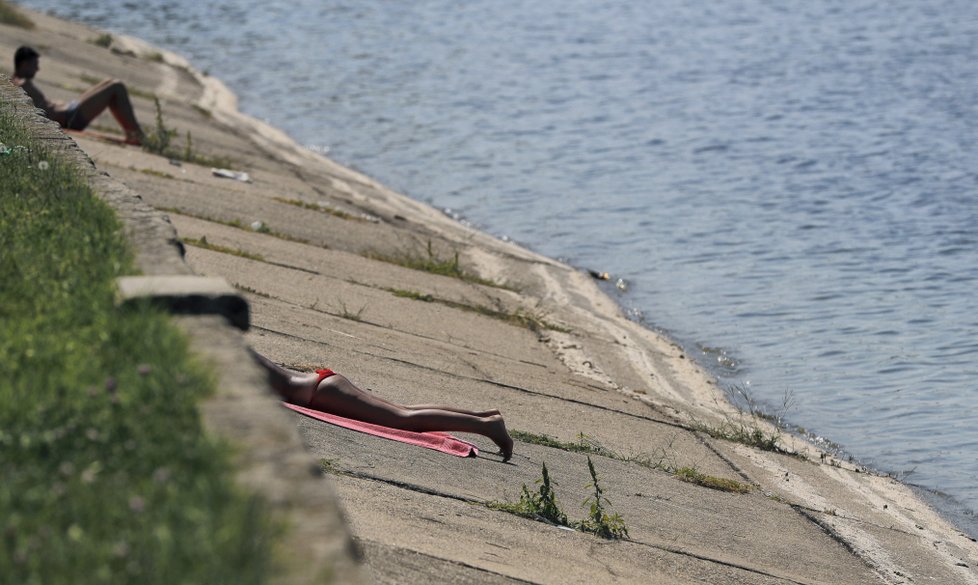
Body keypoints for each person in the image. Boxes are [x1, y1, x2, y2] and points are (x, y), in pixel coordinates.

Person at [250, 350, 514, 461]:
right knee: (404, 411)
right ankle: (483, 417)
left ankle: (486, 426)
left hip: (319, 393)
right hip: (320, 386)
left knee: (402, 419)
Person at [11, 45, 145, 145]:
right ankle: (137, 135)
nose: (37, 69)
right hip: (70, 118)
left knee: (109, 82)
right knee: (116, 87)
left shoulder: (19, 82)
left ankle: (134, 133)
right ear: (24, 64)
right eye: (35, 65)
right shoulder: (20, 83)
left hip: (69, 109)